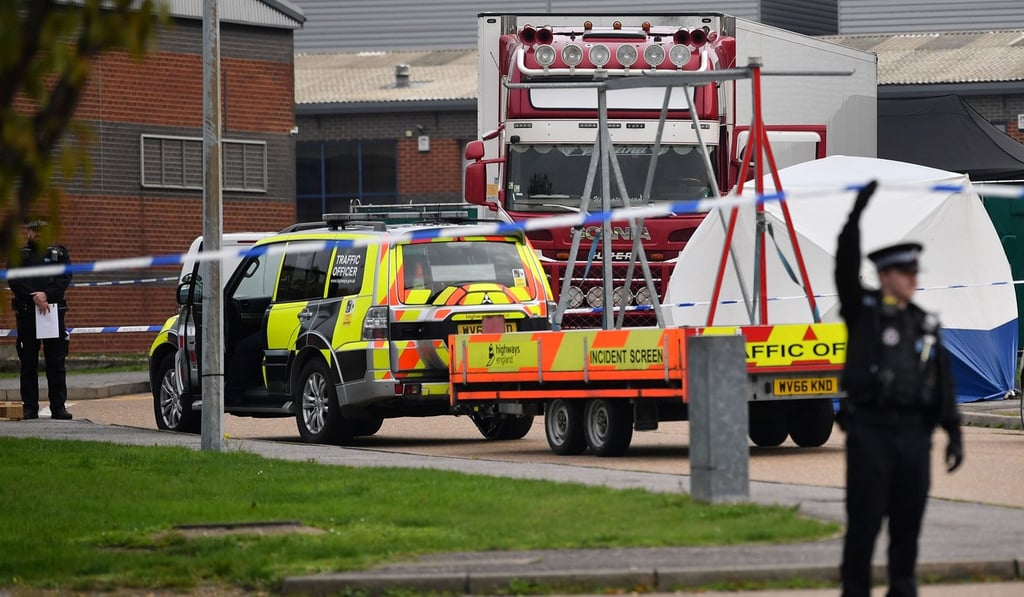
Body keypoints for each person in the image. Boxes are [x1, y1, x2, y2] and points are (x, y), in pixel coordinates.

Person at [834, 181, 963, 597]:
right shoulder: (865, 312)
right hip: (871, 434)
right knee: (865, 524)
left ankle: (902, 589)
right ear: (886, 276)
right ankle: (855, 590)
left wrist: (954, 433)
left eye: (914, 272)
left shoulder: (924, 322)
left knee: (907, 526)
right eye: (906, 272)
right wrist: (855, 217)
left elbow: (942, 381)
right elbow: (844, 268)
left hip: (913, 438)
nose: (913, 279)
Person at [7, 218, 73, 420]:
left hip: (52, 313)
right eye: (34, 231)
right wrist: (35, 297)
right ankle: (30, 407)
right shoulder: (19, 256)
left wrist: (46, 295)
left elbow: (64, 278)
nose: (38, 235)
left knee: (56, 362)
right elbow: (14, 280)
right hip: (28, 313)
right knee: (28, 363)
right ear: (27, 232)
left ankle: (58, 407)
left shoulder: (58, 255)